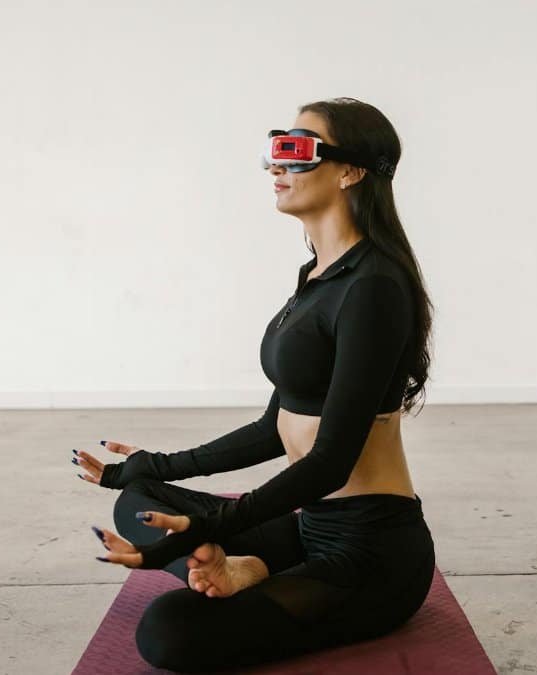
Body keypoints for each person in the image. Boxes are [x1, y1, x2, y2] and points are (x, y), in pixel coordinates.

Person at [71, 97, 436, 673]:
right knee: (137, 503)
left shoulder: (374, 287)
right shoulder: (318, 276)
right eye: (274, 150)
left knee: (167, 632)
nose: (276, 167)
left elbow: (329, 463)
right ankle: (248, 565)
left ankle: (243, 564)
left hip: (369, 550)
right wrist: (155, 465)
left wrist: (209, 526)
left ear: (350, 170)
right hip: (307, 526)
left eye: (294, 152)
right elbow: (274, 428)